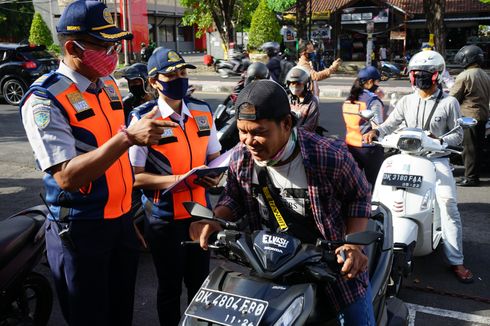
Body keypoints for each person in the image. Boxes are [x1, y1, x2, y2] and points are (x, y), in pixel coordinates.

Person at [19, 1, 178, 325]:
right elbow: (66, 176)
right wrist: (128, 138)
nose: (110, 53)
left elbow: (114, 161)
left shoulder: (107, 86)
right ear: (71, 47)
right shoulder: (45, 98)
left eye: (112, 44)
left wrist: (125, 215)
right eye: (101, 45)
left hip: (119, 223)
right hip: (81, 228)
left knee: (121, 315)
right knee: (90, 318)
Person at [190, 80, 376, 325]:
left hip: (330, 269)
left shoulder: (329, 156)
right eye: (242, 131)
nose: (248, 141)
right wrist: (216, 221)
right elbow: (235, 197)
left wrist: (352, 246)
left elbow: (358, 197)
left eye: (259, 132)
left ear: (286, 124)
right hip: (270, 266)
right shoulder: (241, 156)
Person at [128, 47, 222, 326]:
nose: (179, 78)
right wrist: (178, 180)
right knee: (169, 289)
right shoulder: (143, 118)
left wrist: (215, 175)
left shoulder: (203, 111)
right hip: (164, 219)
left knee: (201, 287)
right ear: (154, 81)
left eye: (182, 72)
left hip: (201, 215)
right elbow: (135, 177)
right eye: (171, 75)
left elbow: (215, 157)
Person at [363, 50, 474, 283]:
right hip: (408, 157)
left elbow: (456, 135)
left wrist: (440, 140)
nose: (420, 78)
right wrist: (376, 131)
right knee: (381, 199)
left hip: (436, 160)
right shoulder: (407, 100)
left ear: (437, 75)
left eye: (425, 74)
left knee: (448, 204)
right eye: (416, 74)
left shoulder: (449, 103)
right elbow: (389, 125)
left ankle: (456, 260)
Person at [451, 45, 490, 187]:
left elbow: (453, 97)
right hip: (482, 116)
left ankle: (471, 178)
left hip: (468, 116)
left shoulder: (465, 75)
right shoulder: (485, 74)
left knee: (469, 149)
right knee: (476, 148)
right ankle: (473, 175)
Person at [343, 66, 385, 187]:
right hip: (369, 148)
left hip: (350, 147)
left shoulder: (349, 99)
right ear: (370, 82)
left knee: (352, 184)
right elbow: (378, 126)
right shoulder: (372, 101)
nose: (378, 85)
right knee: (374, 185)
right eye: (377, 82)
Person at [285, 66, 319, 132]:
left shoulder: (312, 102)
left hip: (303, 137)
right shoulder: (288, 99)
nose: (295, 86)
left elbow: (310, 126)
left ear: (305, 85)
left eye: (298, 84)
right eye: (292, 84)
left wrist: (293, 132)